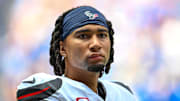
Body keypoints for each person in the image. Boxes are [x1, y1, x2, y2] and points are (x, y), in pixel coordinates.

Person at [16, 6, 136, 101]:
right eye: (83, 36)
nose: (96, 44)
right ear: (62, 48)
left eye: (102, 35)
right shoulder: (49, 90)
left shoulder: (123, 93)